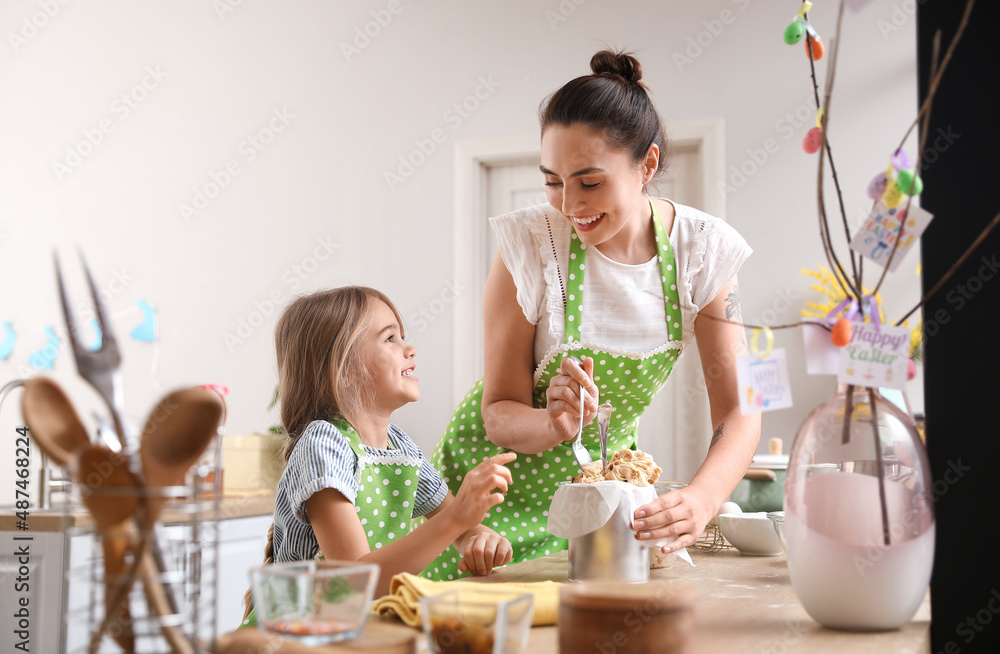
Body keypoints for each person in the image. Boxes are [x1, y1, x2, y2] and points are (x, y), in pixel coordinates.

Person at [422, 50, 761, 580]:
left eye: (589, 181)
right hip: (485, 506)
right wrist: (554, 423)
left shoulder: (703, 251)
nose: (569, 204)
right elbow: (498, 413)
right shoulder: (532, 245)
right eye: (552, 180)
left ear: (646, 165)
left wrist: (702, 499)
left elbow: (742, 409)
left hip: (596, 497)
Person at [242, 287, 514, 623]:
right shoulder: (323, 445)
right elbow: (355, 583)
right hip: (296, 636)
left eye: (403, 337)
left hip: (357, 627)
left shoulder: (400, 447)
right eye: (390, 339)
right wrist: (458, 517)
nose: (410, 349)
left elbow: (463, 531)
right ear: (343, 368)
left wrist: (481, 539)